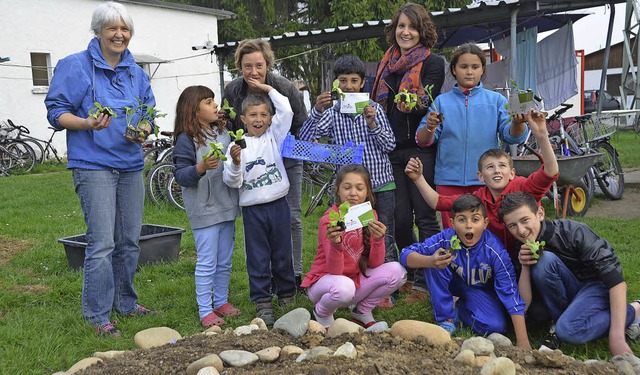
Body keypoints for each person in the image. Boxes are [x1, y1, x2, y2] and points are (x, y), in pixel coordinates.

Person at [44, 1, 157, 337]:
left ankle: (125, 302)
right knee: (102, 242)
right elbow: (56, 112)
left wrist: (144, 129)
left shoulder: (135, 72)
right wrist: (86, 122)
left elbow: (149, 112)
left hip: (130, 164)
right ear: (98, 31)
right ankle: (97, 314)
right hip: (93, 165)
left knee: (130, 240)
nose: (119, 35)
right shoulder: (75, 66)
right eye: (112, 28)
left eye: (124, 29)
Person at [299, 55, 397, 307]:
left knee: (381, 234)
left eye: (354, 81)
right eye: (343, 81)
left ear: (363, 83)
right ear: (336, 84)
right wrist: (317, 110)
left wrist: (372, 122)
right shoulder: (332, 112)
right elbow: (306, 140)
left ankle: (383, 291)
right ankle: (345, 281)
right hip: (348, 191)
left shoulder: (375, 109)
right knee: (348, 235)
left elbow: (390, 145)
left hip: (379, 185)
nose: (349, 86)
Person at [499, 191, 640, 355]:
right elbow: (523, 305)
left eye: (525, 220)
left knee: (567, 329)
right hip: (571, 291)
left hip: (597, 286)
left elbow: (616, 282)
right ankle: (562, 323)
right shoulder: (521, 246)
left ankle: (633, 310)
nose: (521, 230)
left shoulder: (573, 231)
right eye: (512, 226)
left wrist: (616, 337)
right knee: (540, 299)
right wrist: (525, 267)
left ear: (540, 213)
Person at [370, 2, 446, 305]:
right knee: (399, 219)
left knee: (426, 217)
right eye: (401, 26)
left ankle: (428, 283)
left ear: (422, 30)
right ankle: (410, 274)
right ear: (394, 29)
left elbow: (426, 100)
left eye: (412, 27)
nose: (406, 32)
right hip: (391, 150)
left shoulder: (434, 62)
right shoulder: (385, 63)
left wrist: (412, 104)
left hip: (420, 149)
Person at [406, 109, 558, 258]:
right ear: (480, 176)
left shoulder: (524, 187)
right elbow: (438, 202)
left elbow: (550, 172)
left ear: (512, 173)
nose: (497, 171)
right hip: (499, 261)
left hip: (535, 253)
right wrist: (418, 178)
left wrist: (542, 135)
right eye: (490, 167)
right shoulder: (478, 199)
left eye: (502, 166)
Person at [224, 39, 307, 293]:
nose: (253, 72)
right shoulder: (233, 90)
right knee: (259, 224)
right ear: (240, 66)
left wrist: (276, 144)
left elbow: (299, 120)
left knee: (291, 217)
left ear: (267, 64)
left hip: (285, 156)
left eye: (259, 65)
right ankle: (267, 277)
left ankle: (294, 274)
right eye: (247, 66)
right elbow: (231, 126)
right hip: (251, 158)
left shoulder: (282, 86)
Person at [415, 43, 529, 229]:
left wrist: (518, 122)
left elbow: (512, 136)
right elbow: (423, 140)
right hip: (448, 181)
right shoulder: (441, 102)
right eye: (463, 66)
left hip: (486, 181)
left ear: (482, 69)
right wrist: (429, 127)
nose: (469, 72)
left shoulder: (496, 100)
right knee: (455, 232)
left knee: (488, 229)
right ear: (454, 69)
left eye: (475, 67)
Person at [400, 194, 531, 349]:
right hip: (452, 282)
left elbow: (510, 293)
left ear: (485, 223)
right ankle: (445, 319)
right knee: (436, 260)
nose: (469, 225)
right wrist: (430, 261)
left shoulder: (495, 251)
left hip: (479, 291)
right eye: (462, 219)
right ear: (452, 223)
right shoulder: (446, 239)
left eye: (475, 219)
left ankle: (459, 310)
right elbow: (405, 254)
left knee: (496, 327)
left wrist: (523, 341)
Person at [222, 81, 296, 326]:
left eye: (264, 115)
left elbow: (287, 110)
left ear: (270, 119)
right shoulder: (236, 146)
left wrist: (268, 90)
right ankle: (262, 299)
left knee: (283, 251)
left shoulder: (274, 136)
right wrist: (234, 163)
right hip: (253, 211)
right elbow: (232, 181)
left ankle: (286, 293)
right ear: (243, 118)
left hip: (278, 205)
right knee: (258, 256)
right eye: (253, 115)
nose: (258, 119)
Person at [301, 164, 406, 329]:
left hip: (353, 281)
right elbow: (335, 271)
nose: (353, 193)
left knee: (398, 271)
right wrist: (336, 245)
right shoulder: (330, 220)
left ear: (367, 192)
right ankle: (321, 312)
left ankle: (362, 311)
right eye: (347, 187)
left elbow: (376, 264)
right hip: (324, 284)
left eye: (359, 188)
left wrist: (379, 240)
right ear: (337, 190)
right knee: (344, 287)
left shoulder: (369, 215)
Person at [172, 86, 241, 327]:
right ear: (194, 110)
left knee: (224, 260)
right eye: (209, 102)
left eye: (214, 101)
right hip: (204, 210)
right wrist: (200, 168)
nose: (215, 105)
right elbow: (180, 176)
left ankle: (221, 301)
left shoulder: (221, 132)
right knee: (207, 261)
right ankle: (205, 310)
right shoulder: (185, 140)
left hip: (227, 206)